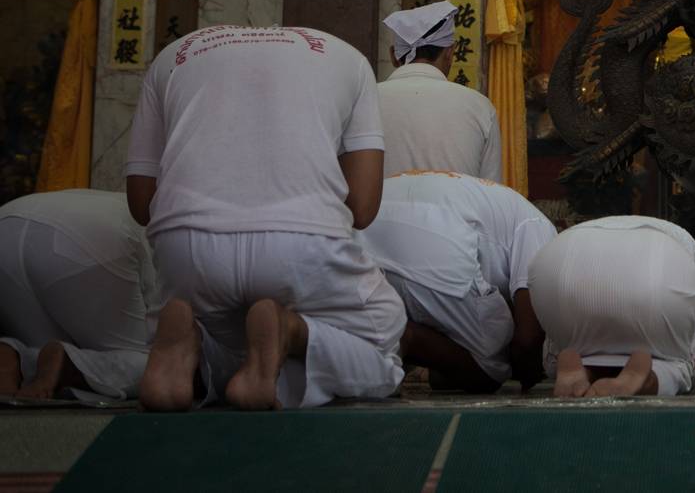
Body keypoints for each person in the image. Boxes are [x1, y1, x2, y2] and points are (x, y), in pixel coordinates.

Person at [127, 25, 406, 411]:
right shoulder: (351, 58)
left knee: (233, 338)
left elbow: (141, 203)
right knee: (384, 340)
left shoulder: (174, 55)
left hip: (187, 248)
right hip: (303, 243)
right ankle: (289, 330)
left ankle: (191, 349)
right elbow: (362, 209)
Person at [361, 171, 556, 391]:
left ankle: (384, 339)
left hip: (366, 223)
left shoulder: (502, 202)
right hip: (434, 238)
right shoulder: (543, 229)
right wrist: (530, 374)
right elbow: (528, 338)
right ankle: (403, 335)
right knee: (490, 369)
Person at [529, 215, 695, 397]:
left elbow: (552, 345)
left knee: (577, 346)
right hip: (659, 270)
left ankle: (587, 371)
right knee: (682, 365)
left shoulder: (590, 229)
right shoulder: (688, 247)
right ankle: (648, 381)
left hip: (563, 253)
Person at [0, 189, 158, 401]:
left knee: (40, 354)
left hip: (8, 221)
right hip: (93, 237)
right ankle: (70, 365)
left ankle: (14, 357)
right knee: (161, 366)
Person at [379, 2, 502, 179]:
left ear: (393, 55)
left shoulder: (366, 101)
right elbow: (491, 191)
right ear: (450, 53)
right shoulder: (480, 107)